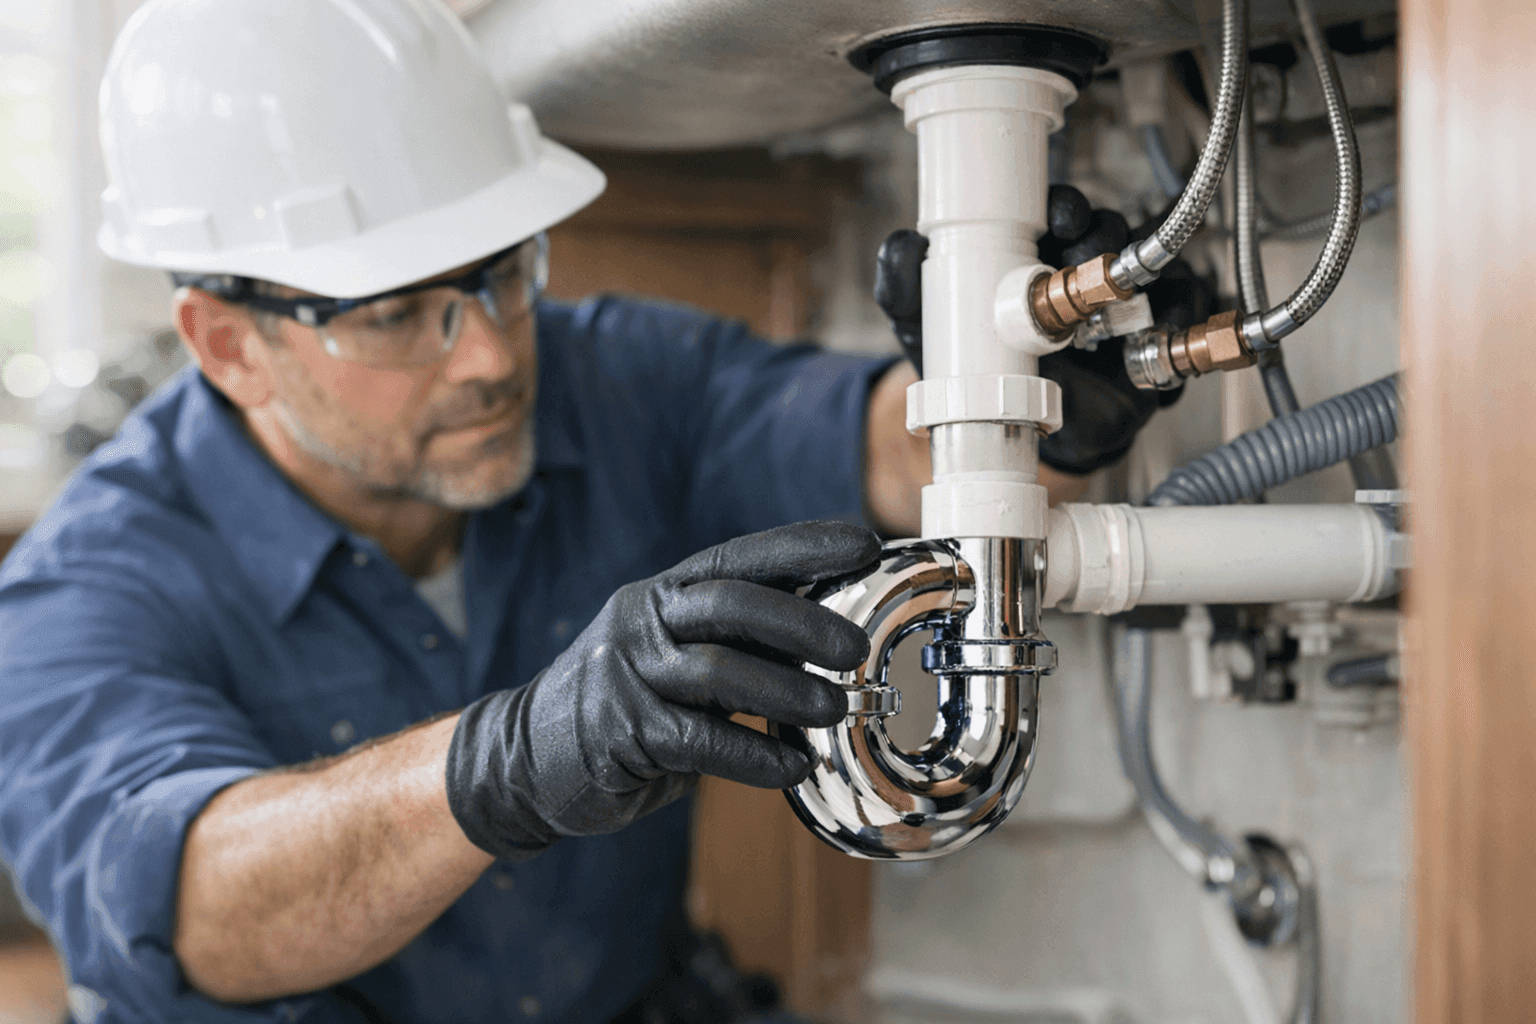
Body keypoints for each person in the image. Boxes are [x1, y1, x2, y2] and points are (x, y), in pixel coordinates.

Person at [0, 1, 1175, 1021]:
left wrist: (1022, 400)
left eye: (500, 271)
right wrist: (504, 765)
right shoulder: (82, 593)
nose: (487, 357)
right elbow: (187, 903)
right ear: (228, 344)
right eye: (398, 313)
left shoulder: (608, 377)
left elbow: (874, 442)